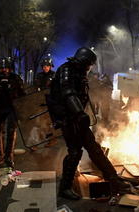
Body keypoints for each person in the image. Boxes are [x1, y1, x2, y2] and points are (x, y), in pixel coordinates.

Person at [47, 47, 129, 200]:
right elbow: (68, 92)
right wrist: (79, 112)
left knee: (94, 149)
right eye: (89, 64)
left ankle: (113, 180)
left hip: (76, 117)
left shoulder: (78, 72)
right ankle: (65, 188)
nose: (90, 67)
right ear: (84, 62)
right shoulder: (67, 70)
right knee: (75, 152)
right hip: (67, 118)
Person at [0, 57, 25, 168]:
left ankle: (9, 156)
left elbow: (22, 94)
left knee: (11, 131)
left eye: (6, 68)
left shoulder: (15, 79)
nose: (4, 70)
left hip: (12, 108)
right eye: (2, 68)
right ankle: (0, 155)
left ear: (10, 69)